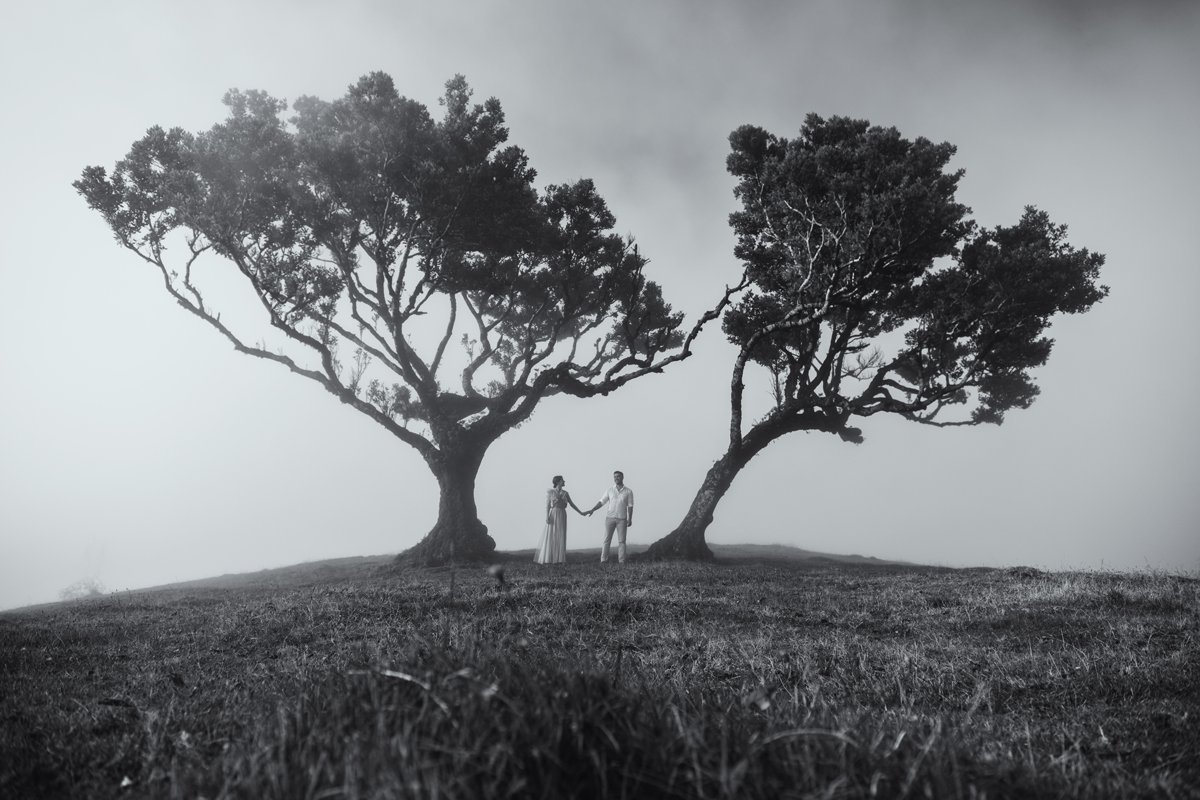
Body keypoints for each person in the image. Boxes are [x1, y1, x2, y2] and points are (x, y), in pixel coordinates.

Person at [534, 475, 585, 564]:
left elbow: (572, 504)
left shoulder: (565, 493)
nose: (564, 481)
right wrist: (547, 516)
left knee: (561, 535)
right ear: (557, 482)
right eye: (562, 480)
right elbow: (547, 505)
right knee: (552, 535)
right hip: (553, 514)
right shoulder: (550, 492)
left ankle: (559, 559)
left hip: (562, 514)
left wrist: (581, 512)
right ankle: (550, 558)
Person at [586, 470, 634, 563]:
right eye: (615, 477)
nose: (616, 478)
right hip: (610, 518)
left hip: (622, 519)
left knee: (622, 541)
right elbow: (601, 502)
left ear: (622, 477)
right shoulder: (609, 490)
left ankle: (622, 561)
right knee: (606, 540)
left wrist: (630, 519)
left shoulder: (629, 491)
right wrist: (593, 510)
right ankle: (603, 560)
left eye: (618, 476)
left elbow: (630, 506)